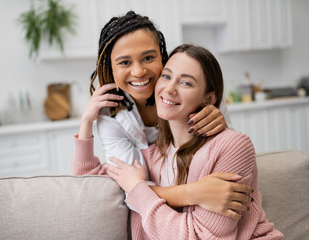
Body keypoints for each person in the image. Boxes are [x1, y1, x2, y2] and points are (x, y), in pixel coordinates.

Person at [104, 44, 283, 239]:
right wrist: (86, 128)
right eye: (166, 76)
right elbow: (97, 182)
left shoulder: (233, 145)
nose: (170, 89)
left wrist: (140, 190)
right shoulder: (155, 154)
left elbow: (199, 236)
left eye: (186, 83)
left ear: (209, 99)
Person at [78, 11, 251, 210]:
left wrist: (222, 126)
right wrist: (196, 193)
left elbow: (225, 157)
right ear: (110, 67)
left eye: (148, 58)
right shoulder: (111, 114)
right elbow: (132, 191)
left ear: (162, 56)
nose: (138, 71)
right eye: (125, 62)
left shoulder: (198, 93)